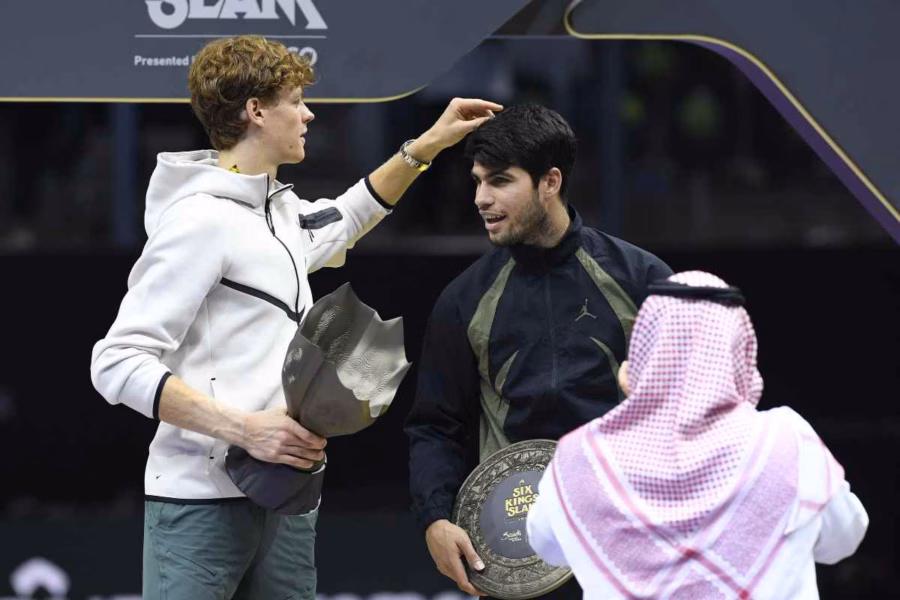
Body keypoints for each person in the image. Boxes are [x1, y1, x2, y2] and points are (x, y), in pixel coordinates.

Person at [89, 34, 501, 600]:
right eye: (296, 100)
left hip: (287, 500)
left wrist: (428, 144)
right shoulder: (198, 222)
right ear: (256, 111)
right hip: (199, 505)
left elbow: (350, 213)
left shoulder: (278, 214)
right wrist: (244, 429)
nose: (309, 114)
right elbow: (115, 362)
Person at [404, 103, 673, 596]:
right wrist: (435, 518)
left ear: (550, 181)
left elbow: (693, 408)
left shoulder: (643, 280)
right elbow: (435, 425)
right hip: (515, 545)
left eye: (500, 181)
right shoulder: (463, 300)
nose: (482, 198)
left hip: (630, 541)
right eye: (478, 181)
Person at [526, 271, 869, 599]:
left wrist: (642, 402)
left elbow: (546, 546)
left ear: (645, 353)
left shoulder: (582, 457)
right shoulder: (787, 440)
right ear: (738, 352)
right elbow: (843, 539)